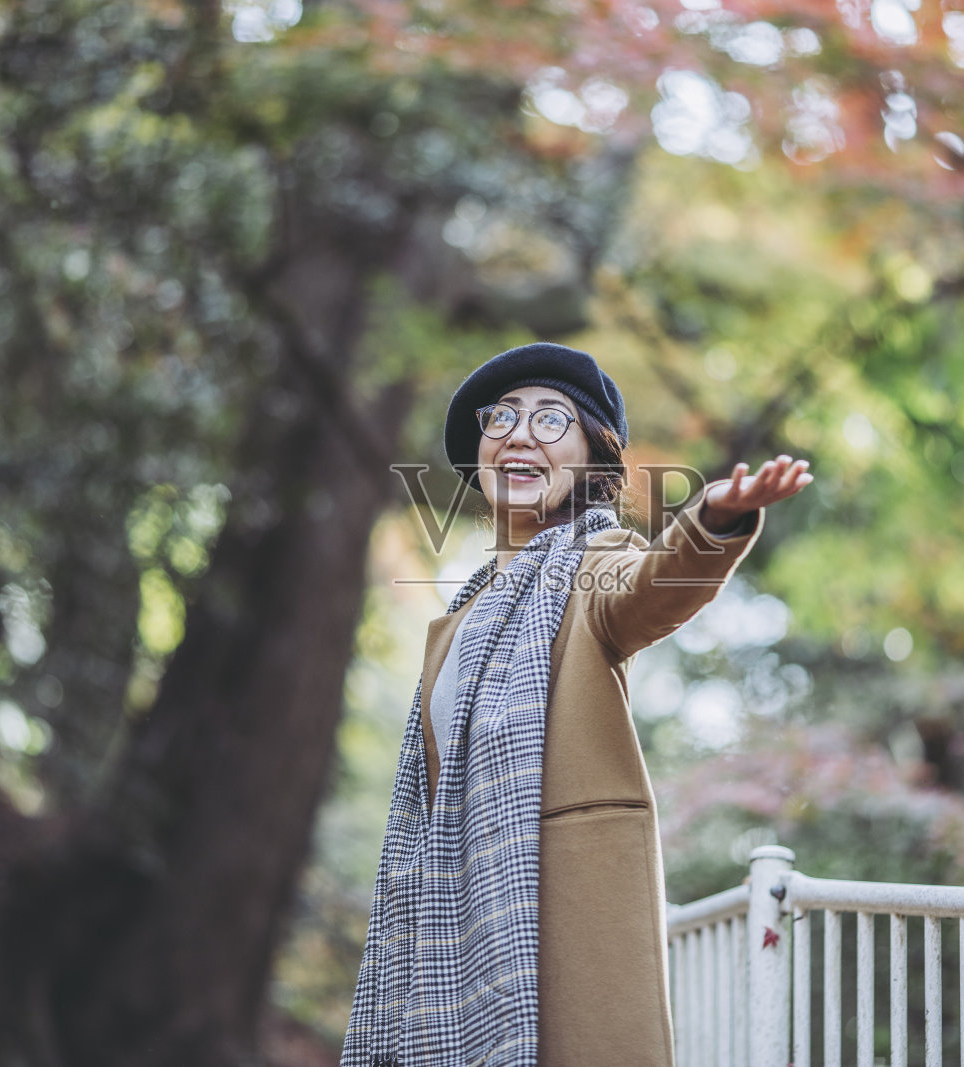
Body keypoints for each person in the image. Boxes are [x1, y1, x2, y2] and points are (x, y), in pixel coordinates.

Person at [342, 342, 811, 1067]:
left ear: (592, 461)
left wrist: (714, 521)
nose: (520, 433)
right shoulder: (455, 625)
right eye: (503, 418)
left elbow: (653, 582)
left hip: (563, 912)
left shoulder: (595, 565)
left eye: (551, 419)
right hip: (458, 922)